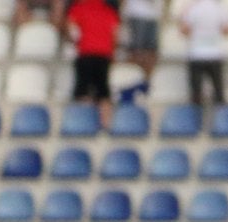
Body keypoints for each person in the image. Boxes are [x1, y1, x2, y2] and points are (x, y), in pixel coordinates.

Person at [60, 0, 118, 128]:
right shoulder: (108, 10)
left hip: (86, 52)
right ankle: (106, 124)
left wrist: (74, 42)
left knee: (83, 90)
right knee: (103, 91)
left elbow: (71, 29)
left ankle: (83, 123)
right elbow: (115, 32)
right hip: (104, 54)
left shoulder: (79, 8)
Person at [179, 0, 228, 108]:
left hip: (196, 54)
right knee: (219, 93)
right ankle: (220, 119)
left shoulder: (192, 9)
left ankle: (195, 120)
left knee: (196, 95)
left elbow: (184, 30)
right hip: (215, 54)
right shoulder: (220, 8)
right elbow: (227, 31)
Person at [120, 0, 159, 100]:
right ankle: (129, 83)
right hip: (137, 14)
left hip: (153, 15)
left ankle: (144, 83)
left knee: (152, 54)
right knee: (137, 52)